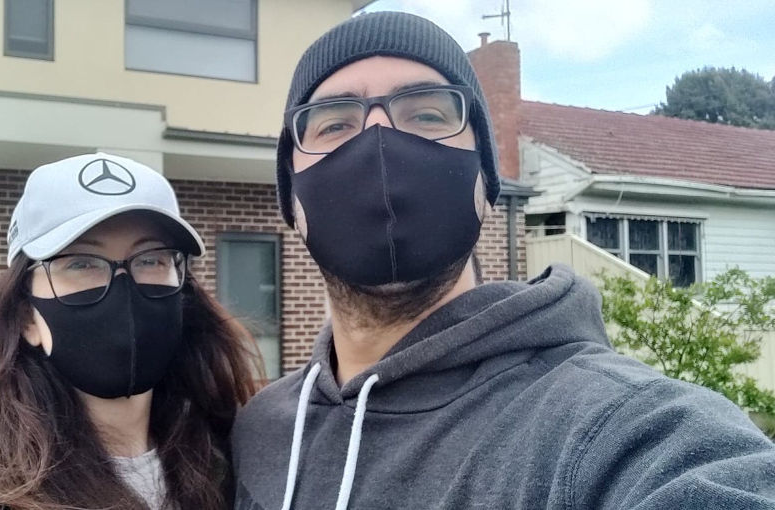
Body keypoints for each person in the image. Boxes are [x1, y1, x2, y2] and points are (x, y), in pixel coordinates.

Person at [232, 11, 775, 510]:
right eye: (333, 124)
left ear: (485, 179)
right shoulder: (257, 430)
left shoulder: (615, 430)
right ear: (291, 197)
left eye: (426, 114)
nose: (379, 140)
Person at [0, 153, 259, 509]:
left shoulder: (252, 471)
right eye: (80, 263)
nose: (124, 288)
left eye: (151, 259)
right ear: (27, 317)